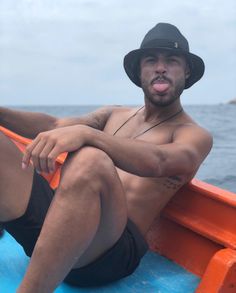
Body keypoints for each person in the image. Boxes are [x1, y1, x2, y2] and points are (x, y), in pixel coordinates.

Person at [0, 23, 212, 293]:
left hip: (110, 254)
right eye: (151, 60)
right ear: (139, 71)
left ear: (186, 72)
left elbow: (160, 160)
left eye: (171, 61)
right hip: (60, 228)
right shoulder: (114, 114)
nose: (161, 67)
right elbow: (56, 125)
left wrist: (88, 135)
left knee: (91, 160)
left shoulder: (193, 134)